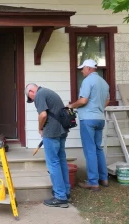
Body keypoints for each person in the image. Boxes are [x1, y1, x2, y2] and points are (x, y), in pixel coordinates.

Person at [25, 83, 70, 208]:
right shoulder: (48, 91)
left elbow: (43, 115)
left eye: (30, 98)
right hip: (61, 130)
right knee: (61, 161)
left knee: (53, 163)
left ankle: (60, 197)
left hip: (52, 132)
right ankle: (65, 192)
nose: (33, 100)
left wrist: (40, 128)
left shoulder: (39, 94)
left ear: (31, 92)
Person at [68, 59, 109, 191]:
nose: (81, 71)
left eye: (83, 68)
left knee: (90, 150)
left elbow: (84, 100)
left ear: (89, 68)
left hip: (88, 119)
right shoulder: (104, 82)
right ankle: (104, 178)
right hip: (100, 119)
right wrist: (98, 108)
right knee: (98, 148)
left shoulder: (88, 81)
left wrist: (71, 105)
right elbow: (107, 100)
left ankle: (93, 182)